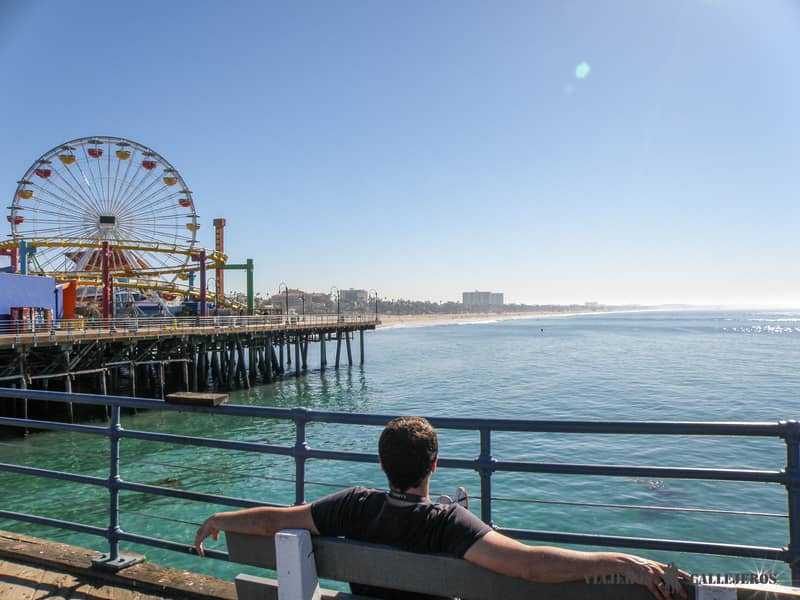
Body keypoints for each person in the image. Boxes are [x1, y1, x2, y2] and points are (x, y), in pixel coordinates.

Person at [195, 416, 688, 600]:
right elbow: (531, 565)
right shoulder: (447, 522)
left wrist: (220, 518)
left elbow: (276, 519)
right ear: (434, 465)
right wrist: (622, 561)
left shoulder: (350, 504)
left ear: (382, 463)